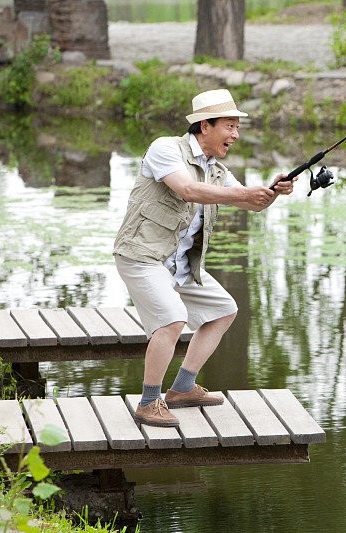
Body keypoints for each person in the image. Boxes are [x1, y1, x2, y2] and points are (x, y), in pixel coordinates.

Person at [113, 89, 296, 427]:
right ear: (205, 126)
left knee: (223, 310)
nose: (235, 135)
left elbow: (251, 203)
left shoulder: (216, 170)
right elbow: (187, 190)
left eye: (237, 127)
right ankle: (148, 402)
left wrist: (273, 191)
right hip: (142, 256)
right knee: (172, 319)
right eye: (229, 126)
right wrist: (244, 193)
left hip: (180, 264)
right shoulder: (166, 149)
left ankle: (182, 389)